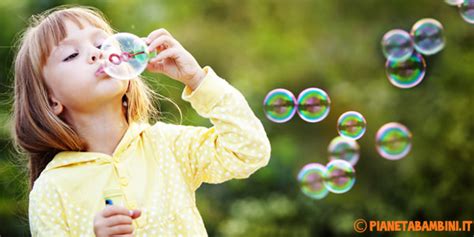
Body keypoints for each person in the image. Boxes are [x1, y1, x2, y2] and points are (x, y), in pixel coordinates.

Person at [12, 5, 271, 236]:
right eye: (71, 55)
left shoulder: (167, 146)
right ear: (51, 100)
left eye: (103, 44)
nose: (95, 54)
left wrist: (197, 79)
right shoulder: (52, 190)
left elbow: (249, 150)